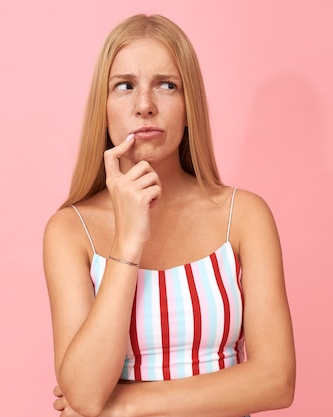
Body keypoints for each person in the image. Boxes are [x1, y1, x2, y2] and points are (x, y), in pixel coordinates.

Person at [43, 14, 295, 417]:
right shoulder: (70, 231)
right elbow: (85, 392)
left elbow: (276, 380)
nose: (145, 106)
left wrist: (123, 407)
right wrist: (128, 241)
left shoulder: (243, 216)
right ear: (103, 108)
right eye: (125, 86)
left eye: (167, 85)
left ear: (189, 104)